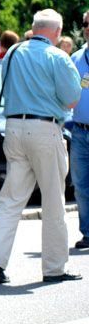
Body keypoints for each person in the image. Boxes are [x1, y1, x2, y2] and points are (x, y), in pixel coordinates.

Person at [0, 9, 82, 285]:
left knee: (10, 199)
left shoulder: (12, 53)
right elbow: (72, 98)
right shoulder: (57, 57)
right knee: (53, 200)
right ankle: (54, 267)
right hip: (45, 129)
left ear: (34, 28)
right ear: (57, 32)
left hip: (13, 128)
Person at [71, 26, 89, 250]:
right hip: (80, 131)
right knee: (81, 186)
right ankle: (87, 233)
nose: (88, 29)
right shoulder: (76, 58)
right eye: (86, 24)